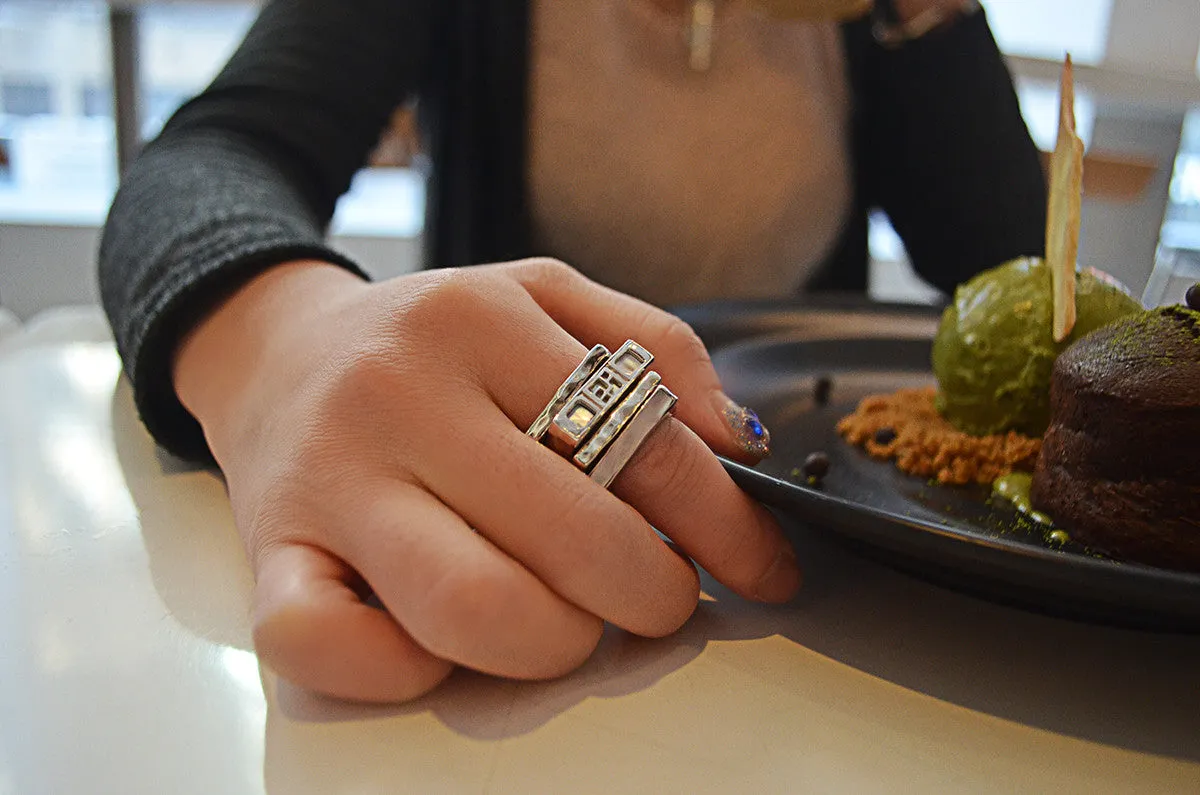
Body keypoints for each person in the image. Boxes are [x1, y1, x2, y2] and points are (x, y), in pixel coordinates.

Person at [98, 0, 1046, 702]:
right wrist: (286, 339)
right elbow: (210, 156)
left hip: (844, 575)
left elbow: (1021, 269)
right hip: (500, 512)